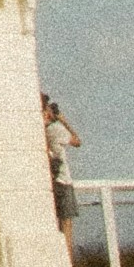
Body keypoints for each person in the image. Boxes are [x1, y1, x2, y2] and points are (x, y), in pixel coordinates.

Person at [41, 89, 81, 230]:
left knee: (57, 225)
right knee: (66, 225)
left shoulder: (42, 131)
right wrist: (63, 121)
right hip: (62, 180)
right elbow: (77, 142)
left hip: (52, 180)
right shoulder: (56, 130)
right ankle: (68, 253)